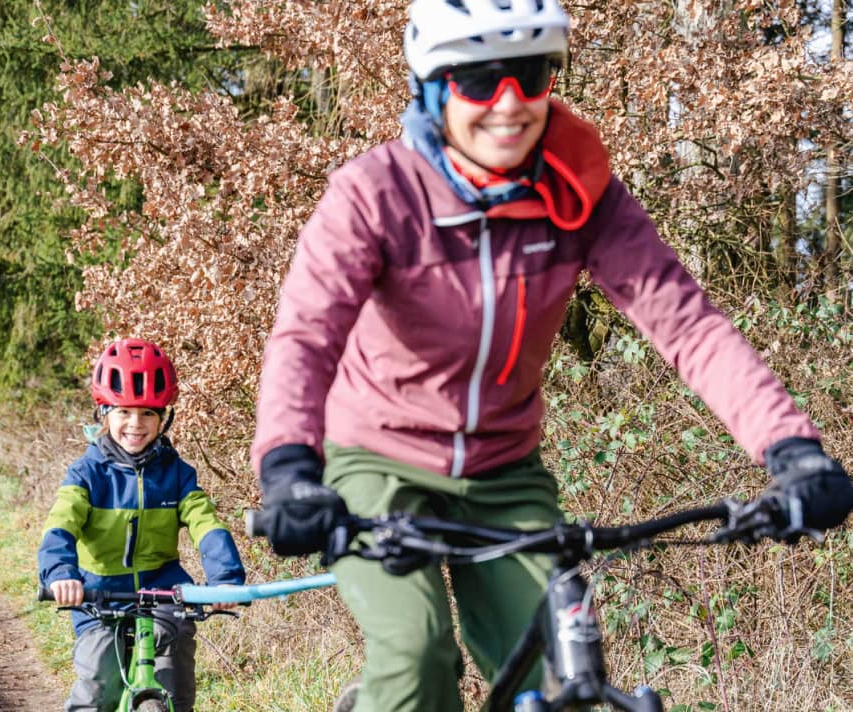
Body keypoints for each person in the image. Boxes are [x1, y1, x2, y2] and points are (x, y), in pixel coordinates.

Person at [249, 1, 853, 710]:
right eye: (480, 82)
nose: (509, 104)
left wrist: (791, 449)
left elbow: (686, 325)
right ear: (433, 88)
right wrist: (289, 469)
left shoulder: (578, 192)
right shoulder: (377, 194)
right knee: (414, 655)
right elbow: (306, 336)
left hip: (504, 471)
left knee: (562, 673)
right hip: (376, 463)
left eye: (530, 75)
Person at [39, 337, 245, 712]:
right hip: (97, 594)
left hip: (163, 590)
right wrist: (59, 574)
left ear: (164, 417)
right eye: (124, 412)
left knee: (176, 675)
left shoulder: (178, 475)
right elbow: (61, 524)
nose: (136, 424)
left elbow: (205, 523)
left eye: (149, 413)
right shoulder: (87, 474)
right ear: (104, 413)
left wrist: (225, 578)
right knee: (99, 680)